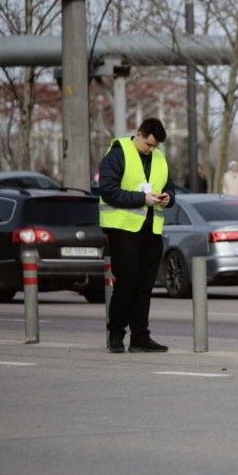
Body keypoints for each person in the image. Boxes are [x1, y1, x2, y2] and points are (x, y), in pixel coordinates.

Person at [98, 117, 175, 353]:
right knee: (127, 281)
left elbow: (169, 186)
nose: (152, 149)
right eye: (149, 144)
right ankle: (116, 334)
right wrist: (142, 199)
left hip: (151, 230)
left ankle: (140, 337)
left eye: (156, 146)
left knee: (145, 285)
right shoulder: (118, 153)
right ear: (139, 135)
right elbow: (108, 191)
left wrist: (168, 198)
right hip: (123, 228)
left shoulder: (160, 158)